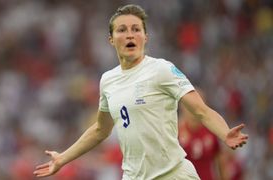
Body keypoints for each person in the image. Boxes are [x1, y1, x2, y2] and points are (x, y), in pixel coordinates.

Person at [33, 4, 248, 180]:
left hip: (172, 175)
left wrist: (224, 132)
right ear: (111, 39)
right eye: (122, 30)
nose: (130, 35)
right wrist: (63, 158)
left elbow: (201, 110)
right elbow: (100, 129)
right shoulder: (108, 80)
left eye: (136, 29)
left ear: (146, 37)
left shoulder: (162, 69)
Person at [178, 88, 226, 180]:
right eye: (189, 104)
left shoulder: (212, 131)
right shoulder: (176, 132)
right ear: (182, 106)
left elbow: (221, 165)